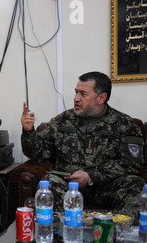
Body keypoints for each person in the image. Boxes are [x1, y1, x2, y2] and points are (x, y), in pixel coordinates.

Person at [21, 71, 145, 216]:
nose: (76, 99)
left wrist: (91, 176)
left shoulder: (124, 124)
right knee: (49, 184)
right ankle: (57, 235)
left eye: (83, 94)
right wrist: (28, 131)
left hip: (107, 186)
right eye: (76, 92)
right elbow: (38, 153)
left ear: (101, 98)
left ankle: (118, 234)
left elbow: (131, 164)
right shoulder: (62, 121)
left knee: (136, 186)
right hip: (68, 185)